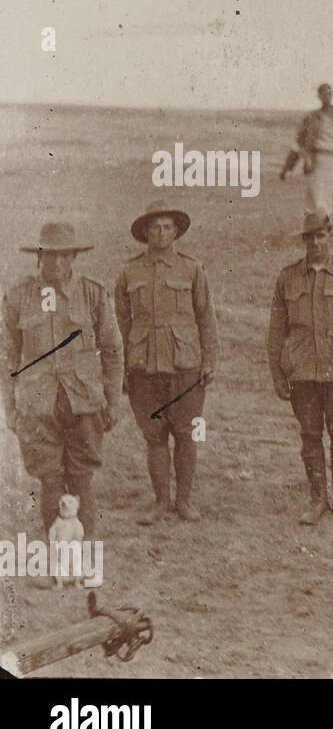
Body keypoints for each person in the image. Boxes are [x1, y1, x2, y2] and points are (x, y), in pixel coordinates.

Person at [3, 223, 122, 540]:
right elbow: (7, 358)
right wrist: (9, 407)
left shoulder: (92, 294)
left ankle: (84, 555)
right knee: (50, 479)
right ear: (38, 257)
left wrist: (112, 400)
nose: (57, 264)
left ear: (74, 257)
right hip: (37, 405)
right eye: (50, 256)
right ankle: (57, 554)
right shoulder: (18, 297)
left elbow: (111, 350)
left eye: (65, 256)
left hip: (83, 402)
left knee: (81, 478)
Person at [115, 201, 220, 524]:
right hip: (143, 367)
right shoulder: (129, 272)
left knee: (186, 434)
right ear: (145, 233)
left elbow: (205, 317)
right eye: (155, 227)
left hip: (184, 365)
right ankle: (161, 501)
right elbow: (120, 324)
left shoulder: (192, 269)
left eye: (167, 227)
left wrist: (209, 360)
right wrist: (122, 368)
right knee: (154, 436)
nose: (161, 233)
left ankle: (184, 501)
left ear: (176, 232)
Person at [267, 213, 333, 525]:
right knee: (310, 435)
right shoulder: (288, 278)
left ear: (329, 237)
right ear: (303, 240)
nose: (315, 243)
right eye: (309, 237)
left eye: (321, 236)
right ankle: (317, 500)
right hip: (302, 373)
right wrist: (277, 374)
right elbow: (276, 331)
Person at [280, 83, 333, 230]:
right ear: (319, 96)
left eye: (330, 93)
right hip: (318, 161)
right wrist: (288, 167)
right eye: (324, 93)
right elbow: (299, 143)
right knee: (318, 196)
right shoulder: (312, 118)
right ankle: (321, 228)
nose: (327, 96)